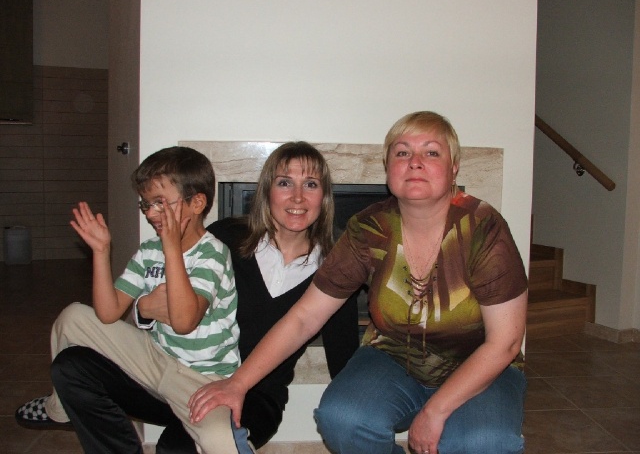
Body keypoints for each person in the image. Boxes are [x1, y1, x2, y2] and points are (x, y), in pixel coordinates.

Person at [188, 112, 529, 454]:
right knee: (342, 418)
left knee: (482, 443)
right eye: (402, 152)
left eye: (431, 152)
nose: (415, 162)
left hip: (477, 363)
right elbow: (305, 316)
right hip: (394, 358)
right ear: (388, 167)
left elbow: (506, 342)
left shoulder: (483, 228)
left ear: (454, 168)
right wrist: (238, 384)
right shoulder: (369, 229)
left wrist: (435, 411)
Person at [17, 141, 359, 453]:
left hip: (252, 395)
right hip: (168, 366)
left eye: (310, 185)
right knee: (71, 364)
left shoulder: (335, 273)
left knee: (174, 449)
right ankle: (59, 409)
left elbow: (343, 360)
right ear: (267, 191)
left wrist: (354, 416)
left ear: (324, 196)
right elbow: (167, 279)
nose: (297, 197)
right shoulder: (226, 236)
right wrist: (143, 309)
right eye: (285, 182)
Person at [15, 146, 243, 453]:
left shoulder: (212, 253)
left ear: (197, 203)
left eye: (160, 203)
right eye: (146, 204)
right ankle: (60, 409)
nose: (150, 213)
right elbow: (108, 313)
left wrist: (171, 249)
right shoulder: (149, 250)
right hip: (155, 355)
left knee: (221, 441)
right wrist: (101, 252)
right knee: (73, 317)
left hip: (203, 378)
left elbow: (185, 322)